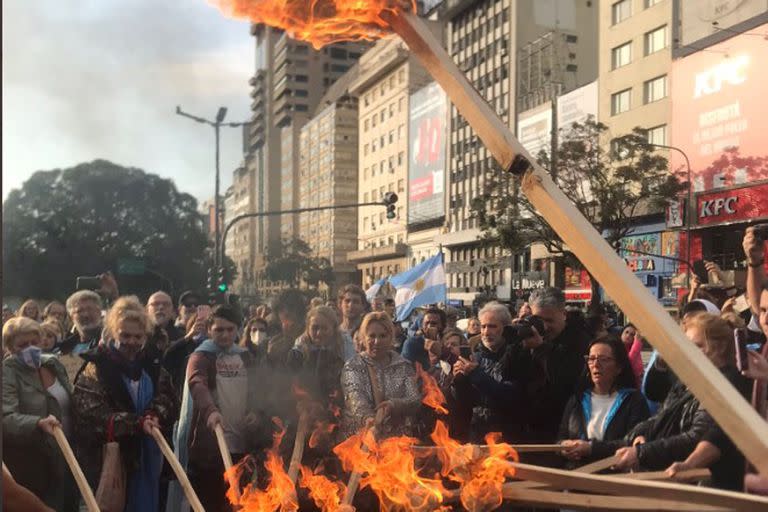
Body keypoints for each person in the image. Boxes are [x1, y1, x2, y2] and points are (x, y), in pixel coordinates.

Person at [613, 313, 751, 490]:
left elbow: (705, 435)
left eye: (697, 346)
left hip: (717, 488)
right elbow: (660, 412)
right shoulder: (693, 380)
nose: (689, 353)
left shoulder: (729, 382)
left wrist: (643, 453)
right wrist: (644, 437)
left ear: (721, 346)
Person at [72, 296, 177, 512]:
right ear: (112, 333)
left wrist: (154, 413)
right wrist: (136, 423)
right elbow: (92, 414)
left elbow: (168, 398)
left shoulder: (152, 364)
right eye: (125, 335)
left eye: (138, 336)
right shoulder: (95, 367)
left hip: (149, 459)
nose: (131, 342)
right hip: (109, 464)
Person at [184, 305, 269, 512]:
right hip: (210, 450)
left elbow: (259, 390)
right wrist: (211, 411)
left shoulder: (246, 357)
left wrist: (256, 412)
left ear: (238, 329)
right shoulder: (201, 357)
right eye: (219, 330)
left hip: (241, 447)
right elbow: (197, 384)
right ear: (209, 329)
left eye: (230, 329)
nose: (225, 335)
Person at [2, 317, 77, 511]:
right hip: (34, 465)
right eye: (22, 345)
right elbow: (6, 418)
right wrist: (37, 423)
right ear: (10, 347)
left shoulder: (52, 364)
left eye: (34, 342)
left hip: (68, 455)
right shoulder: (7, 372)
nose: (30, 348)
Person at [558, 336, 650, 467]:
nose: (596, 364)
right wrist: (563, 447)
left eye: (604, 359)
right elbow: (561, 436)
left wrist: (592, 449)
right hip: (576, 475)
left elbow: (633, 442)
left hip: (614, 476)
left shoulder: (633, 400)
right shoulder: (577, 399)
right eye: (591, 359)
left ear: (619, 367)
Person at [340, 312, 422, 439]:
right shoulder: (353, 366)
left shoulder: (403, 365)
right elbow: (355, 399)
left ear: (391, 337)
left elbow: (414, 399)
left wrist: (393, 405)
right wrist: (370, 421)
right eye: (371, 336)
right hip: (360, 439)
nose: (377, 342)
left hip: (398, 442)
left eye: (383, 336)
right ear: (363, 338)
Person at [452, 302, 520, 443]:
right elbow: (463, 401)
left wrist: (476, 374)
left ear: (505, 328)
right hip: (477, 433)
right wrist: (459, 380)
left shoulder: (517, 356)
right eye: (483, 326)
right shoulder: (476, 357)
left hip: (507, 435)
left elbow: (509, 395)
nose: (486, 332)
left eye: (492, 326)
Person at [267, 289, 307, 367]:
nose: (286, 312)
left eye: (291, 308)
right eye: (282, 309)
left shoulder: (310, 337)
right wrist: (269, 357)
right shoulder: (269, 342)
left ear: (299, 311)